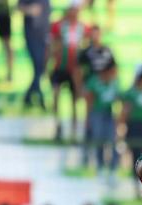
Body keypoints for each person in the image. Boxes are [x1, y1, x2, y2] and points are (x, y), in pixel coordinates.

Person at [49, 5, 91, 141]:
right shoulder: (59, 26)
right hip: (60, 66)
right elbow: (52, 43)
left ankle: (73, 129)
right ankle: (58, 124)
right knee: (56, 95)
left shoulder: (82, 28)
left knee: (74, 100)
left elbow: (87, 44)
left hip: (74, 69)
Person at [84, 63, 120, 175]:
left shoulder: (114, 83)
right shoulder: (94, 82)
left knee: (112, 138)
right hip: (97, 113)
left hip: (109, 113)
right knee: (98, 139)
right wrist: (88, 117)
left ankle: (113, 167)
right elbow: (89, 101)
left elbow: (118, 98)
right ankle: (100, 165)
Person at [18, 0, 51, 109]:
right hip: (32, 35)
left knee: (40, 67)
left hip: (44, 35)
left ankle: (30, 96)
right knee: (38, 65)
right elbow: (19, 7)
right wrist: (30, 10)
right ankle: (38, 97)